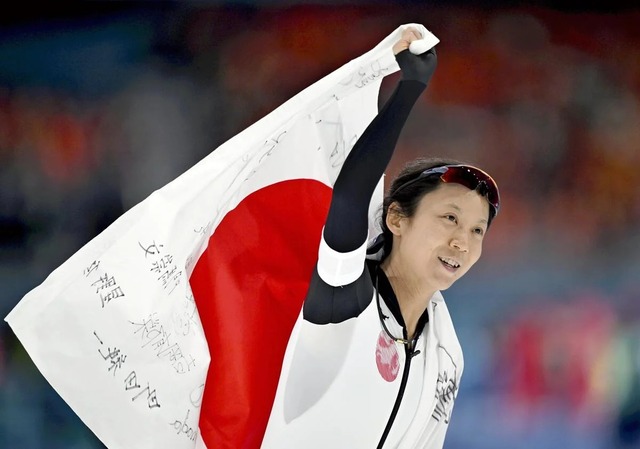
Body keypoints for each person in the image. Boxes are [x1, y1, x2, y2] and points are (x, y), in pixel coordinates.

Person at [260, 26, 501, 448]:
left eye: (476, 230)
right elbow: (349, 199)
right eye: (449, 217)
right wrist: (409, 87)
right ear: (396, 218)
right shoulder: (346, 297)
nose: (462, 242)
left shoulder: (447, 354)